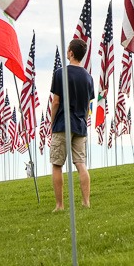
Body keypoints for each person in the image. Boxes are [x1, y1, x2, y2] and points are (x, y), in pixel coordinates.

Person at [49, 38, 94, 211]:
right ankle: (86, 202)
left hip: (63, 124)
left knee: (57, 164)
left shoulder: (60, 73)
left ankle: (60, 205)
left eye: (68, 49)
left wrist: (52, 122)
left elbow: (56, 101)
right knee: (80, 163)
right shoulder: (89, 78)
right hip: (81, 125)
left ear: (71, 53)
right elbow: (89, 103)